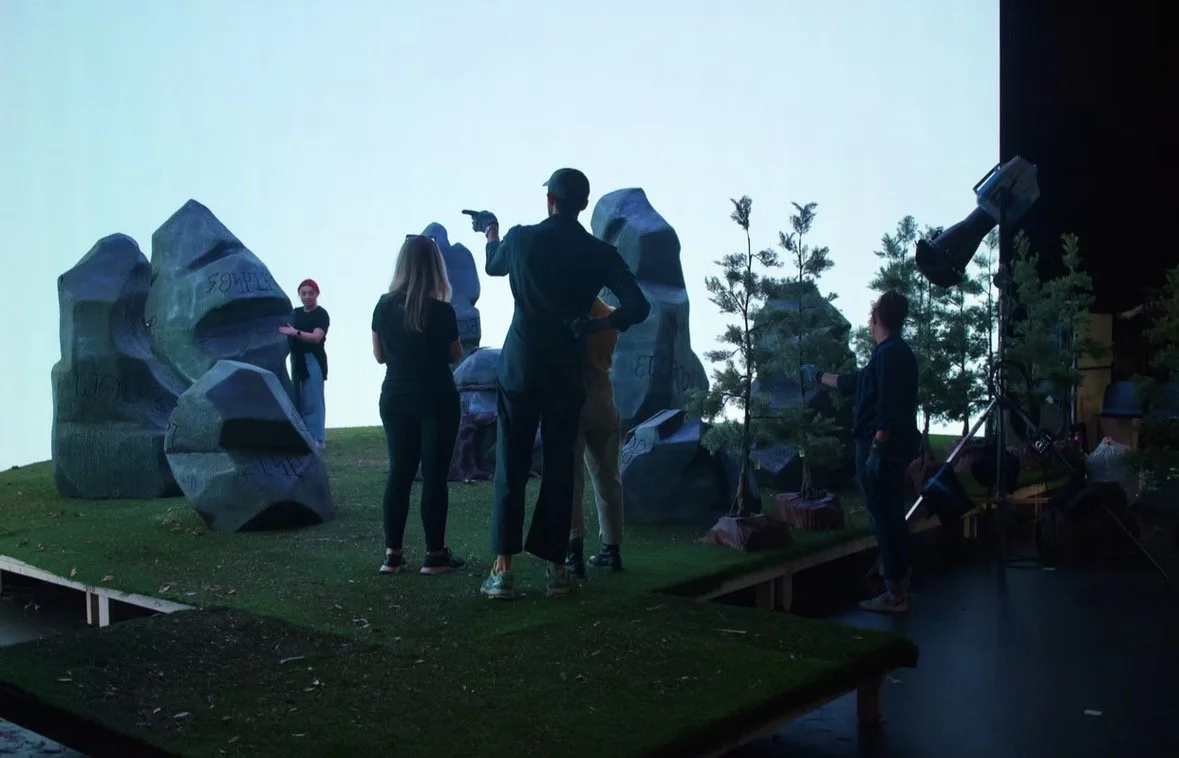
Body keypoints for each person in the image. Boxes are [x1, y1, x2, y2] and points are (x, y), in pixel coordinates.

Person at [470, 168, 650, 601]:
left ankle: (503, 571)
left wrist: (490, 232)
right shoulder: (598, 252)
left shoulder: (521, 238)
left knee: (511, 465)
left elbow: (494, 264)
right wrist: (595, 324)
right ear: (583, 205)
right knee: (558, 466)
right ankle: (556, 571)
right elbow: (638, 306)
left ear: (549, 199)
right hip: (566, 369)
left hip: (520, 364)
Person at [802, 289, 919, 613]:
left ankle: (895, 593)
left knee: (886, 519)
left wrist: (878, 446)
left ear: (876, 317)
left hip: (879, 448)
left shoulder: (890, 356)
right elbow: (856, 382)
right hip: (884, 447)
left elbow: (887, 405)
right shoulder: (891, 354)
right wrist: (818, 377)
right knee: (890, 517)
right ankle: (899, 584)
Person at [370, 234, 466, 576]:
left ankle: (392, 556)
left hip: (395, 396)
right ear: (435, 267)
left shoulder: (383, 306)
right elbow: (456, 355)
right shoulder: (442, 310)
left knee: (399, 473)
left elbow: (380, 356)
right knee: (435, 477)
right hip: (437, 397)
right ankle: (434, 556)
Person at [565, 296, 625, 578]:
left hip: (573, 400)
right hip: (604, 399)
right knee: (609, 478)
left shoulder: (564, 311)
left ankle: (573, 552)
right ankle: (611, 550)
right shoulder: (608, 315)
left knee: (571, 480)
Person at [280, 279, 330, 450]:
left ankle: (317, 439)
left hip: (313, 359)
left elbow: (316, 337)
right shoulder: (295, 313)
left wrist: (295, 332)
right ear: (299, 295)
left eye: (311, 293)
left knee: (313, 399)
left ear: (317, 294)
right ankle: (303, 438)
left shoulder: (321, 314)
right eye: (304, 293)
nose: (307, 296)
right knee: (298, 398)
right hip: (296, 359)